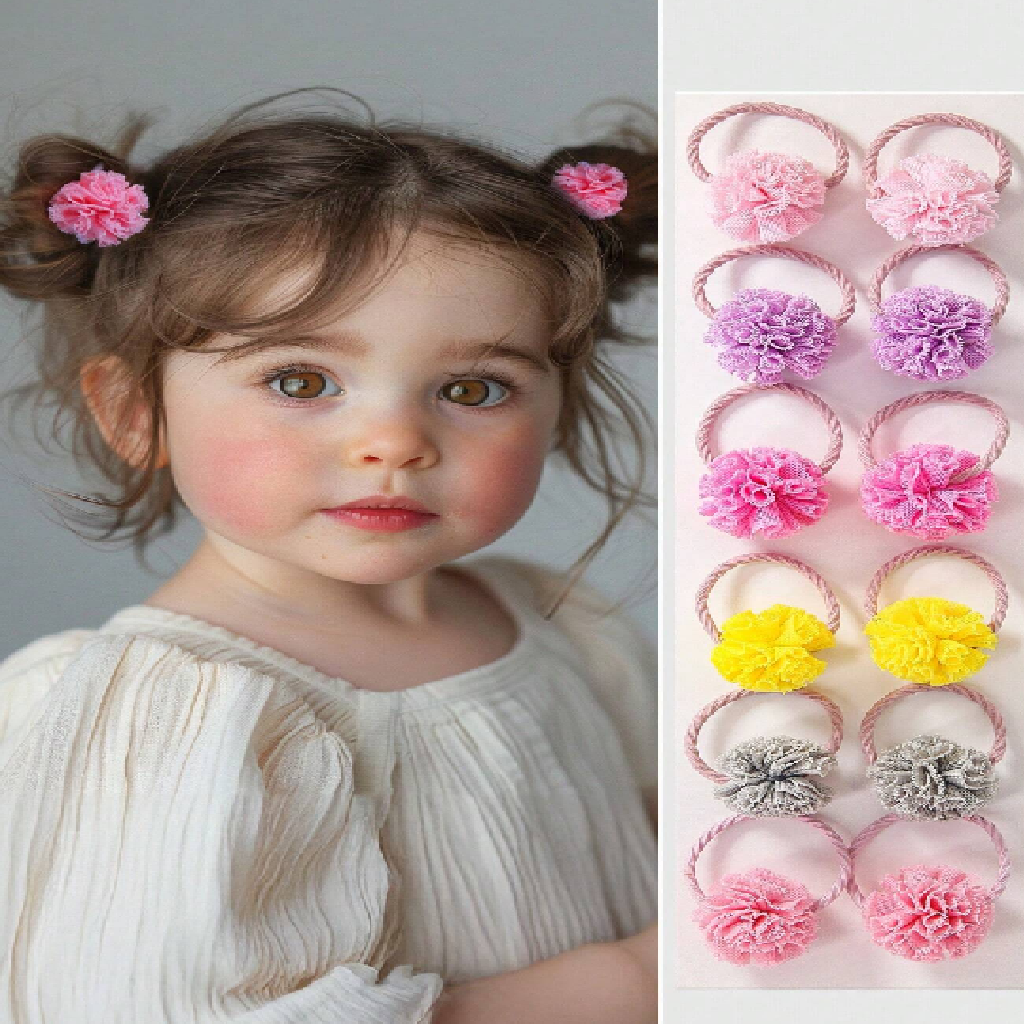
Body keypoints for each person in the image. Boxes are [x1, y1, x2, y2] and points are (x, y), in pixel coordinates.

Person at [0, 87, 657, 1023]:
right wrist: (644, 980)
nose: (392, 442)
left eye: (473, 386)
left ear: (559, 407)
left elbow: (648, 843)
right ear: (135, 413)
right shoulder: (166, 719)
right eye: (300, 380)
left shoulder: (563, 625)